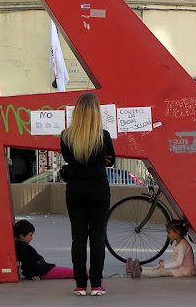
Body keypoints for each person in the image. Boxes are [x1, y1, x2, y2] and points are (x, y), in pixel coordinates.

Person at [60, 92, 115, 296]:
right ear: (96, 112)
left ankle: (80, 285)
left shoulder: (66, 136)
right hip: (99, 190)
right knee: (98, 237)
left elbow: (68, 158)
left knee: (79, 238)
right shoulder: (104, 136)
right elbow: (111, 160)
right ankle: (97, 285)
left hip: (75, 190)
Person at [129, 219, 196, 279]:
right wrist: (166, 262)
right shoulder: (178, 243)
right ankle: (136, 268)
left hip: (183, 269)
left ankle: (141, 272)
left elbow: (179, 262)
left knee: (161, 271)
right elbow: (176, 260)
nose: (167, 235)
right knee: (158, 266)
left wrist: (165, 266)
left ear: (177, 233)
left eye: (169, 232)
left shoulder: (182, 245)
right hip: (179, 266)